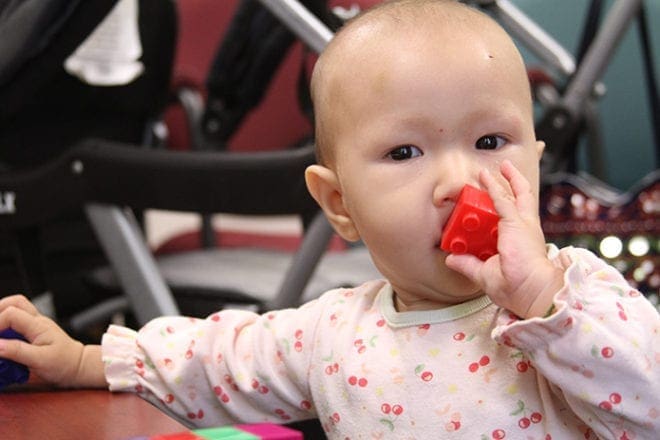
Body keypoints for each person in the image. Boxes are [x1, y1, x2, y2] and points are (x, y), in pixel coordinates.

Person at [1, 1, 658, 438]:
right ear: (340, 204)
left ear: (536, 163)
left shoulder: (576, 300)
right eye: (405, 152)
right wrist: (88, 361)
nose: (461, 181)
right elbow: (217, 360)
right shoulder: (334, 331)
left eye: (491, 143)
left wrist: (543, 300)